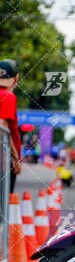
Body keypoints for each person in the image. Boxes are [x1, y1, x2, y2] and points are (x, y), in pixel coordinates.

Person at [0, 59, 22, 192]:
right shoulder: (8, 97)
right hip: (4, 162)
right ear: (16, 78)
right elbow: (2, 128)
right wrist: (15, 159)